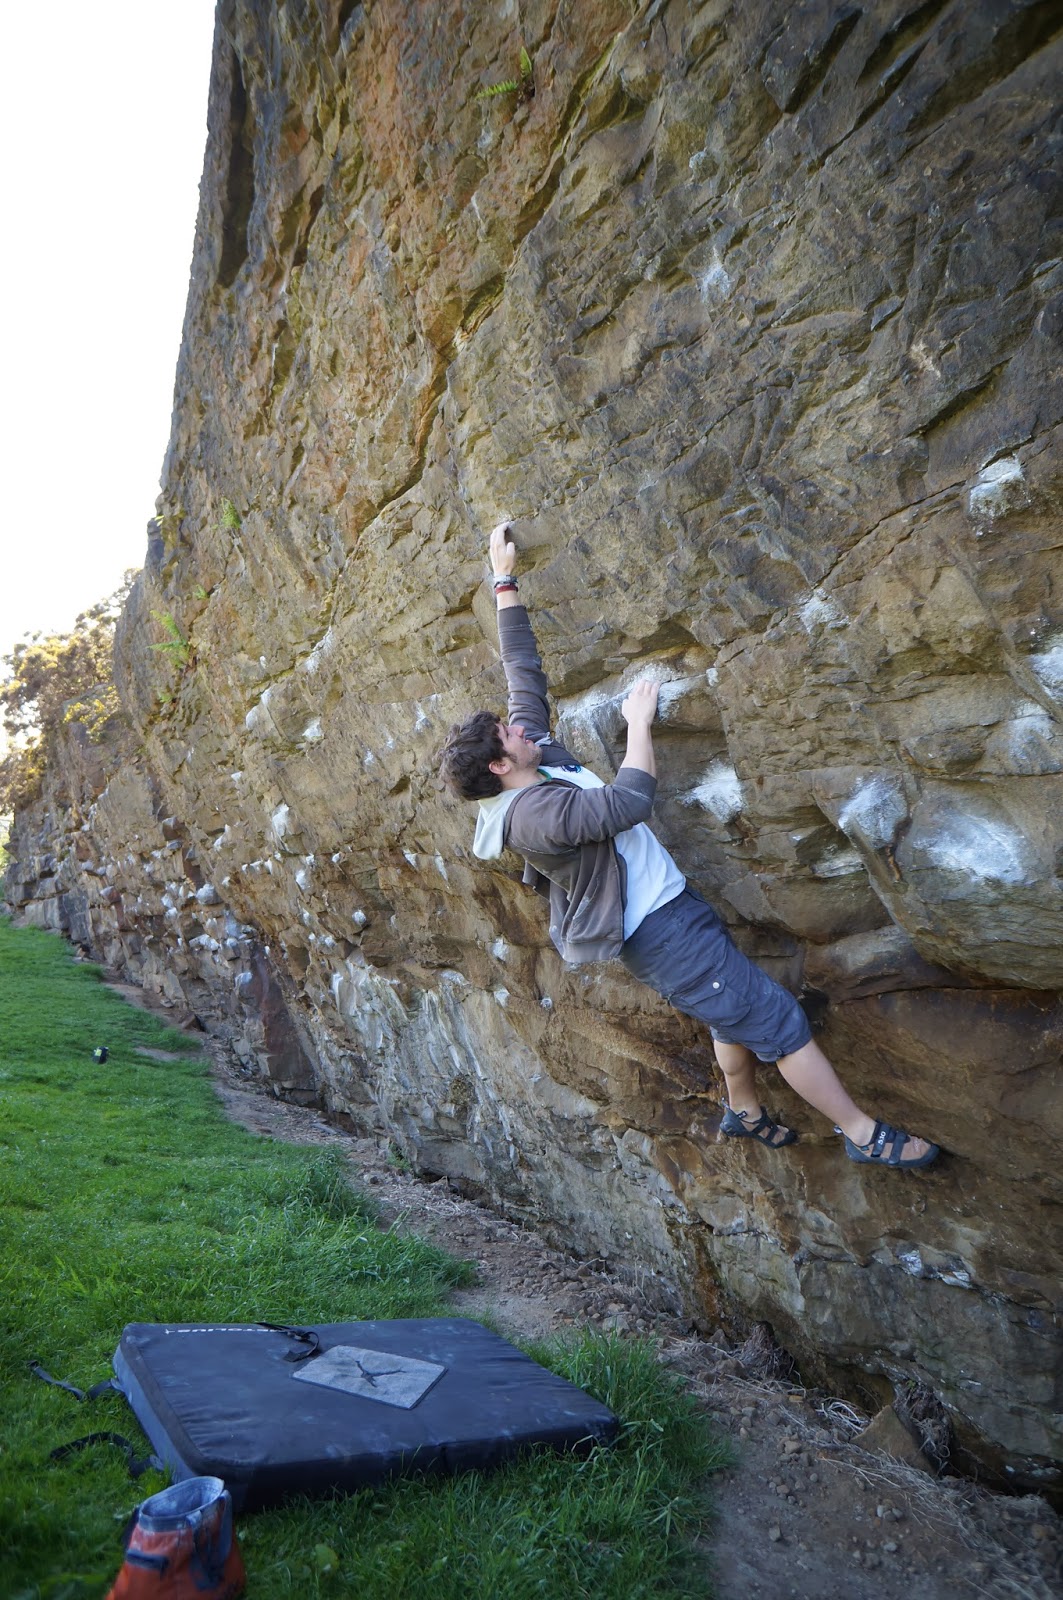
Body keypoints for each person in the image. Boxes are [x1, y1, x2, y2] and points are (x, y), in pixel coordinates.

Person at [438, 522, 940, 1170]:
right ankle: (862, 1134)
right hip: (658, 934)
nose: (518, 727)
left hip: (670, 909)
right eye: (509, 735)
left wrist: (504, 580)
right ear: (500, 767)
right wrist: (638, 726)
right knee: (776, 1021)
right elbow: (626, 803)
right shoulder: (533, 817)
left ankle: (744, 1109)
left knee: (728, 1010)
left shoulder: (534, 758)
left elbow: (522, 675)